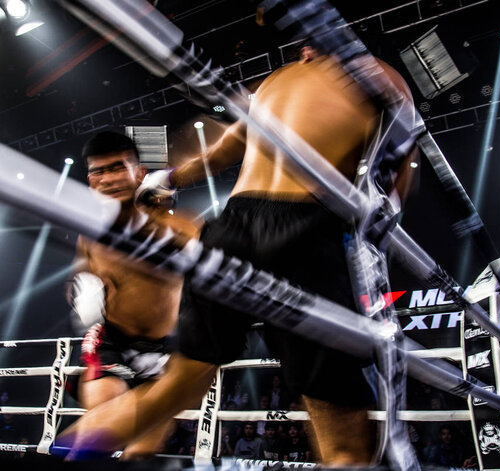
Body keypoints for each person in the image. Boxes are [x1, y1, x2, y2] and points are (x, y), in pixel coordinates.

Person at [60, 45, 417, 466]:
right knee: (342, 432)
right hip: (307, 228)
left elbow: (221, 152)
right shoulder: (384, 80)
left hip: (234, 223)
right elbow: (395, 185)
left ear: (309, 50)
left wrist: (168, 178)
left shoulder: (274, 82)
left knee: (172, 389)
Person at [67, 131, 199, 459]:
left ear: (139, 173)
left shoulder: (182, 227)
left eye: (117, 168)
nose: (109, 179)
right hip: (110, 339)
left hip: (165, 348)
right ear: (89, 180)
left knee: (143, 450)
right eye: (99, 171)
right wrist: (81, 291)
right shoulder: (89, 231)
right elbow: (79, 274)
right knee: (97, 438)